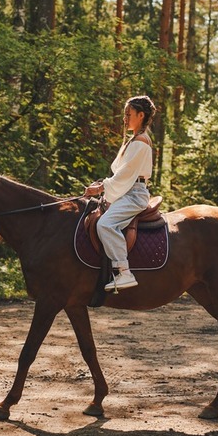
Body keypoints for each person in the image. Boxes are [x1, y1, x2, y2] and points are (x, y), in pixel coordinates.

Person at [84, 95, 156, 292]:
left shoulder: (141, 141)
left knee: (105, 224)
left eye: (128, 114)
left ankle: (124, 272)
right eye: (124, 114)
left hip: (134, 194)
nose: (124, 118)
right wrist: (103, 185)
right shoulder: (134, 140)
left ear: (140, 115)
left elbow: (125, 174)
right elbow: (121, 173)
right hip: (127, 191)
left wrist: (101, 188)